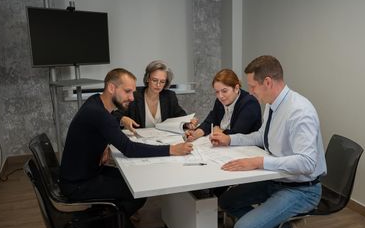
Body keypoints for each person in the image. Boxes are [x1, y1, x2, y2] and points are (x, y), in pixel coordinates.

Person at [210, 56, 327, 228]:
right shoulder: (272, 104)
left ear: (268, 83)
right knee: (226, 201)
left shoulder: (300, 112)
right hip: (277, 179)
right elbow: (261, 137)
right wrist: (230, 139)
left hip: (302, 189)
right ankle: (273, 223)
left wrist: (258, 163)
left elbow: (307, 163)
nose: (251, 91)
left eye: (253, 86)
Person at [59, 68, 193, 217]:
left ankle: (109, 215)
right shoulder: (100, 115)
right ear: (111, 88)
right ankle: (103, 225)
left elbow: (99, 130)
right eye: (127, 91)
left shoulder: (95, 101)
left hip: (82, 173)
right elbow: (130, 149)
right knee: (138, 190)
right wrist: (172, 149)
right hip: (78, 184)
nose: (132, 98)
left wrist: (103, 146)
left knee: (135, 178)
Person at [114, 60, 197, 132]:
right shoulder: (134, 95)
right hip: (139, 142)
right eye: (154, 80)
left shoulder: (169, 96)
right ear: (147, 78)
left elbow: (181, 116)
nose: (158, 85)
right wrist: (122, 119)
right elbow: (115, 115)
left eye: (162, 82)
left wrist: (188, 123)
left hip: (163, 141)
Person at [184, 68, 261, 142]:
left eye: (224, 91)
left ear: (236, 88)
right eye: (217, 92)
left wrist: (220, 131)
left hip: (248, 150)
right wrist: (195, 134)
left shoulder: (250, 103)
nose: (220, 96)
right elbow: (210, 121)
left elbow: (237, 134)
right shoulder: (220, 101)